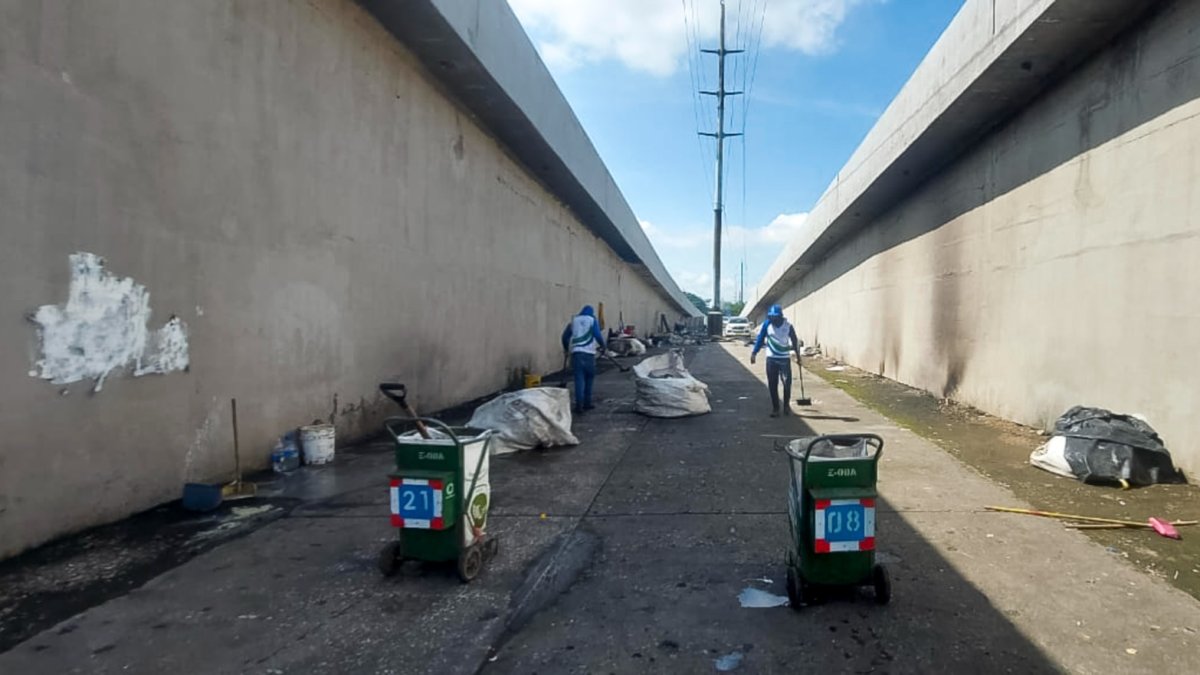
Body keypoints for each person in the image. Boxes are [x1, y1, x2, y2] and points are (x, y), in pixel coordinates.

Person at [750, 304, 801, 417]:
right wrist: (754, 353)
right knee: (772, 384)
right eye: (771, 317)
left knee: (787, 383)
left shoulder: (788, 326)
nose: (773, 319)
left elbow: (795, 340)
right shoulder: (767, 325)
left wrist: (798, 356)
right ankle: (776, 408)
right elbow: (760, 339)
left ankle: (786, 406)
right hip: (771, 359)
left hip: (784, 359)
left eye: (775, 317)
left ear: (780, 317)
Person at [561, 305, 606, 414]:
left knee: (579, 379)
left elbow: (564, 336)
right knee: (589, 378)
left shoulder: (574, 321)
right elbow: (597, 335)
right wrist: (603, 346)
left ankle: (579, 405)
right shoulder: (592, 320)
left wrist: (566, 347)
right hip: (589, 354)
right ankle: (587, 403)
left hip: (576, 354)